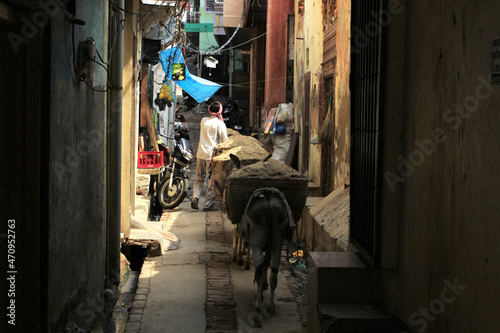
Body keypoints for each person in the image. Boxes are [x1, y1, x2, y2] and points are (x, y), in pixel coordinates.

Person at [191, 101, 228, 211]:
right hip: (211, 155)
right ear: (220, 111)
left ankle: (195, 197)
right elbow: (224, 140)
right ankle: (208, 205)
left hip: (200, 153)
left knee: (199, 178)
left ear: (209, 110)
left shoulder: (203, 120)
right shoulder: (219, 124)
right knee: (211, 180)